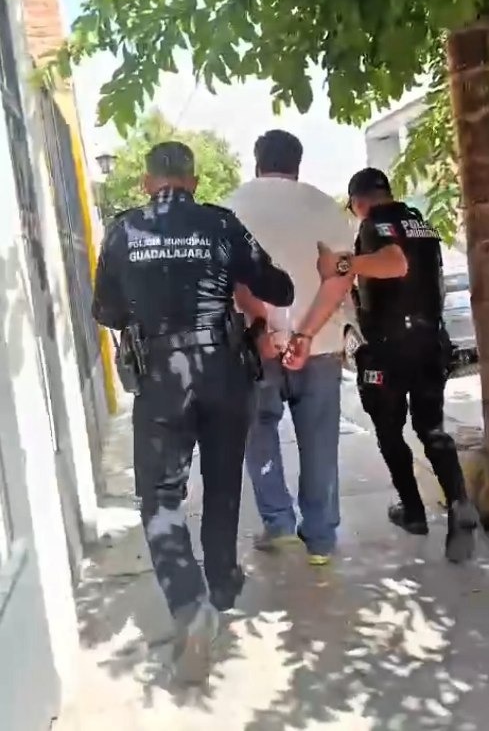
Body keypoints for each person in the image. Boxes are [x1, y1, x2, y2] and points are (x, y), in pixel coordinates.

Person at [92, 141, 294, 681]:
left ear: (146, 183)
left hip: (161, 378)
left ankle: (189, 604)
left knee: (160, 497)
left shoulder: (122, 231)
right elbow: (279, 287)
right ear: (194, 181)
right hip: (223, 369)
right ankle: (222, 585)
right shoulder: (220, 223)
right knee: (223, 483)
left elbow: (106, 311)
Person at [293, 166, 478, 564]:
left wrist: (344, 265)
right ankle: (459, 502)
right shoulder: (420, 223)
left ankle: (413, 511)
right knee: (431, 428)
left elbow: (395, 263)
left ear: (358, 202)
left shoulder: (375, 224)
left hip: (390, 350)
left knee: (389, 430)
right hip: (431, 341)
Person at [224, 130, 354, 565]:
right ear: (298, 164)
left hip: (255, 346)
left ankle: (279, 523)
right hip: (320, 346)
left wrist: (267, 328)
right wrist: (305, 334)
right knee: (320, 442)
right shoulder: (324, 206)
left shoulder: (231, 207)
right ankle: (320, 538)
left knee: (258, 433)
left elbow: (232, 280)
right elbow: (340, 277)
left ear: (256, 161)